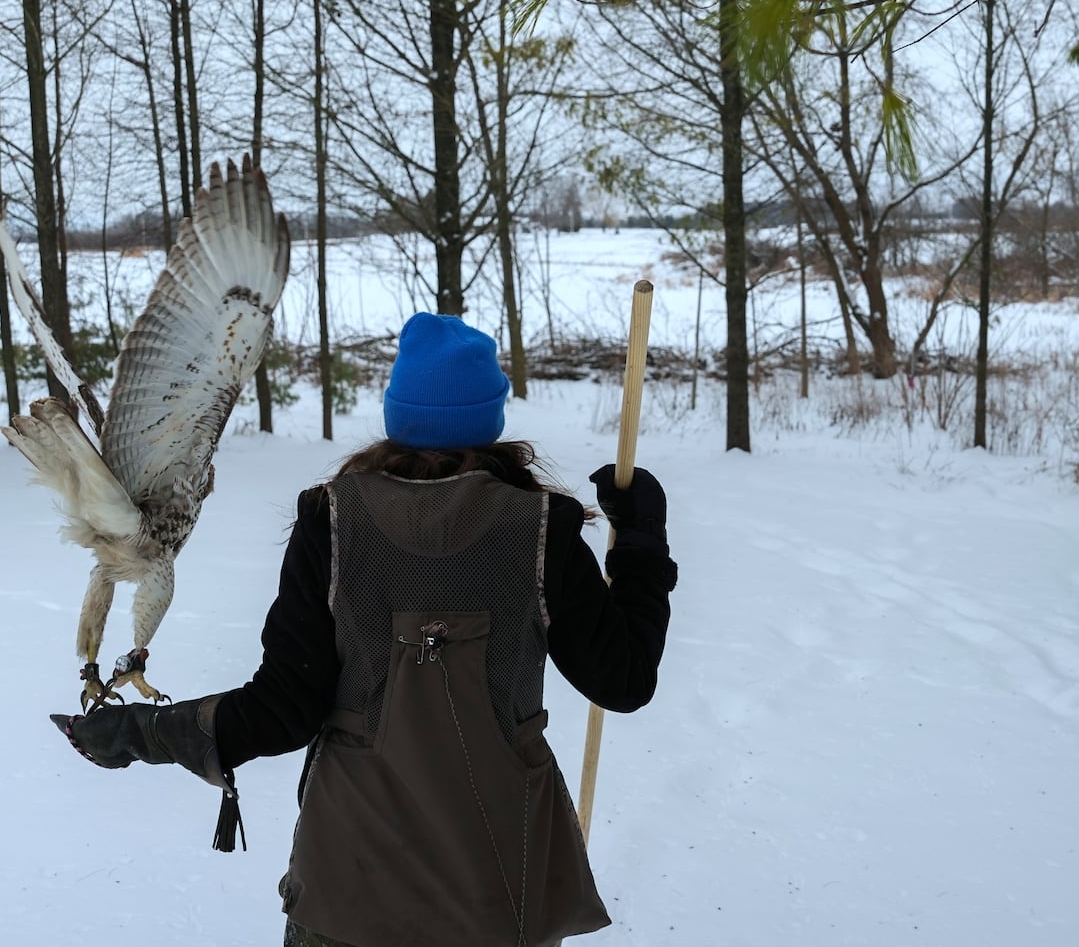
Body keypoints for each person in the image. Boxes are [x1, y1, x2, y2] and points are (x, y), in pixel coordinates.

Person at [53, 312, 676, 947]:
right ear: (492, 418)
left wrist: (142, 731)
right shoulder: (543, 532)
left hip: (345, 899)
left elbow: (283, 708)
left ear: (395, 414)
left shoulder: (331, 525)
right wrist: (641, 551)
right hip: (497, 898)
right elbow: (623, 680)